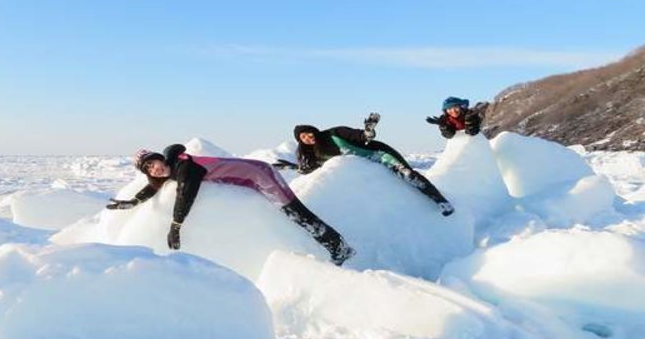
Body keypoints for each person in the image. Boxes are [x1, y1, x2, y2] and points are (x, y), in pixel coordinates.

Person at [106, 144, 355, 266]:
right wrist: (132, 202)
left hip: (260, 175)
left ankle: (339, 247)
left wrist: (176, 225)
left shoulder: (184, 167)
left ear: (160, 157)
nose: (154, 169)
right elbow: (153, 187)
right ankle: (337, 246)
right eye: (148, 169)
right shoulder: (172, 168)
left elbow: (186, 194)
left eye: (153, 162)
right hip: (251, 177)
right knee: (295, 213)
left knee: (296, 214)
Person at [274, 113, 455, 216]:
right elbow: (314, 171)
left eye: (308, 133)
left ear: (314, 131)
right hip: (359, 171)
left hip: (378, 155)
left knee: (408, 175)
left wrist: (368, 130)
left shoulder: (334, 133)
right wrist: (292, 167)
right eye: (303, 137)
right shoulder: (309, 153)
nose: (308, 137)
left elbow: (361, 136)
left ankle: (440, 200)